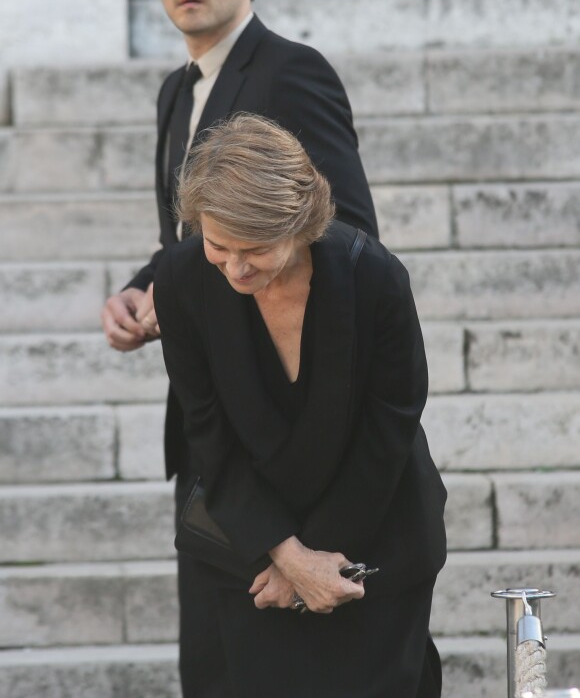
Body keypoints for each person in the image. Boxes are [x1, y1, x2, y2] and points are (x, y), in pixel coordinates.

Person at [153, 113, 447, 698]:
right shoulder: (181, 280)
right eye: (218, 244)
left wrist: (314, 563)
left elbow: (390, 425)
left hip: (376, 540)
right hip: (254, 556)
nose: (235, 268)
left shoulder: (377, 278)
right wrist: (285, 556)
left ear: (301, 224)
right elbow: (207, 430)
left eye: (256, 249)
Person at [101, 0, 377, 394]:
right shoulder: (175, 90)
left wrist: (182, 284)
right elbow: (189, 237)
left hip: (277, 387)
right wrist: (141, 290)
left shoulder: (293, 72)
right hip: (204, 390)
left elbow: (351, 234)